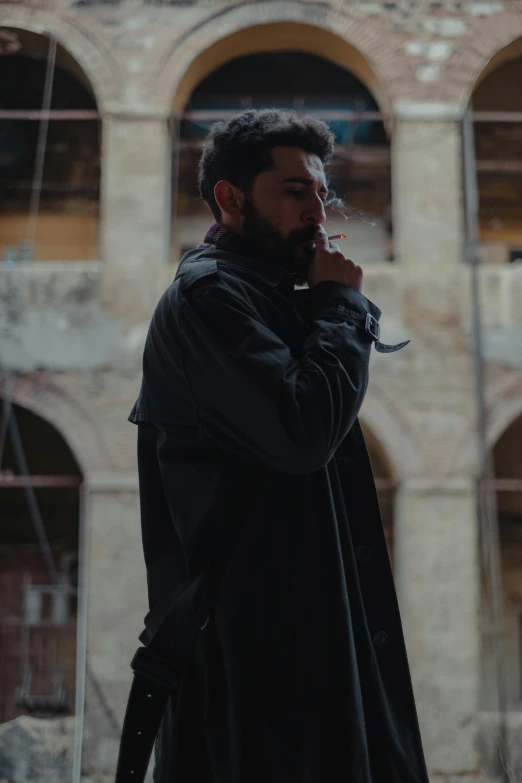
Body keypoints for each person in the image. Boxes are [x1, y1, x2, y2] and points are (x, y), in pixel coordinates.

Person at [128, 109, 429, 783]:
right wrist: (342, 308)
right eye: (294, 192)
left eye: (321, 193)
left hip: (303, 661)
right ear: (231, 199)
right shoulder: (210, 300)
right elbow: (302, 432)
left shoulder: (271, 298)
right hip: (252, 674)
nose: (318, 211)